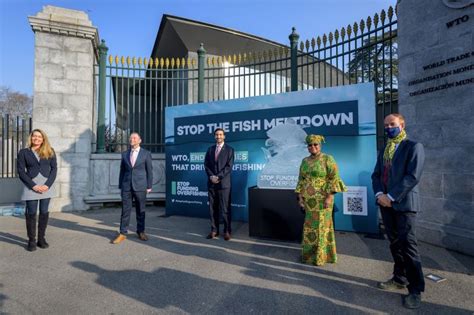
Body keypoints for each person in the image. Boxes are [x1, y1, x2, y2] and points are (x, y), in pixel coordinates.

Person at [371, 113, 425, 309]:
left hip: (404, 205)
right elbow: (376, 174)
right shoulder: (385, 149)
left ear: (402, 125)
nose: (388, 128)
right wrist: (379, 194)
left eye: (392, 124)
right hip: (385, 204)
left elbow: (413, 176)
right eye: (386, 125)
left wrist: (390, 197)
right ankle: (399, 278)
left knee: (408, 246)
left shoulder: (413, 146)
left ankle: (416, 289)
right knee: (394, 243)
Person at [295, 134, 346, 266]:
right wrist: (300, 198)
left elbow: (334, 178)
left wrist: (330, 197)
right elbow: (301, 180)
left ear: (320, 145)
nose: (313, 147)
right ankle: (308, 256)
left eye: (315, 144)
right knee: (309, 227)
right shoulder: (304, 161)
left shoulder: (328, 159)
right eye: (310, 145)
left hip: (323, 199)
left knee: (322, 226)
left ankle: (321, 256)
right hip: (308, 201)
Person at [17, 129, 57, 252]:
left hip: (46, 187)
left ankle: (41, 239)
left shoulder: (50, 151)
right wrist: (33, 185)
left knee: (44, 212)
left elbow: (54, 169)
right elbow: (20, 171)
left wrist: (47, 185)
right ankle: (31, 240)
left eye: (39, 137)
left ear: (43, 139)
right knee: (31, 214)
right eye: (34, 136)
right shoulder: (24, 152)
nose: (37, 138)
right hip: (31, 186)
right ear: (31, 138)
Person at [112, 132, 153, 244]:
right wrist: (121, 185)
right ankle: (122, 233)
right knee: (125, 210)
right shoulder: (125, 154)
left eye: (134, 138)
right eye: (130, 138)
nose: (132, 139)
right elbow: (122, 171)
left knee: (141, 210)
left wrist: (149, 186)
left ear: (139, 140)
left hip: (140, 186)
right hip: (126, 187)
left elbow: (149, 171)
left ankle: (141, 231)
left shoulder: (146, 154)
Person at [204, 128, 234, 241]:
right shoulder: (210, 149)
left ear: (224, 136)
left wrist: (218, 177)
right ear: (214, 136)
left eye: (221, 134)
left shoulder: (230, 150)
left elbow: (229, 167)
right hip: (212, 183)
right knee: (213, 208)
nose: (219, 136)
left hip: (224, 184)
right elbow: (206, 165)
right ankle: (214, 230)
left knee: (225, 209)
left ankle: (227, 231)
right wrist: (211, 176)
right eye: (217, 135)